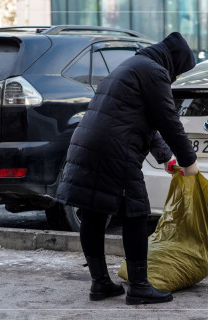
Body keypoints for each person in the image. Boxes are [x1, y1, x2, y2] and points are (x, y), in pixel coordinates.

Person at [56, 32, 199, 305]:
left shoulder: (130, 66)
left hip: (88, 143)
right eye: (179, 72)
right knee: (136, 212)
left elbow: (144, 118)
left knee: (94, 212)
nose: (176, 77)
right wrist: (188, 161)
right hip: (115, 149)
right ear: (174, 63)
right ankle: (139, 287)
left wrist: (166, 158)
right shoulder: (155, 73)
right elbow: (168, 121)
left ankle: (100, 284)